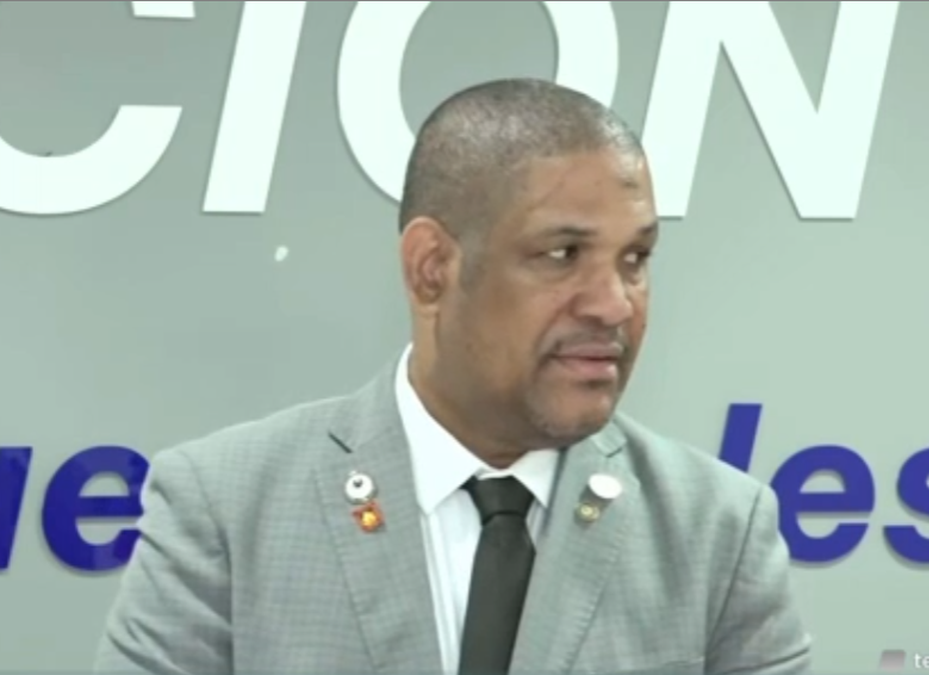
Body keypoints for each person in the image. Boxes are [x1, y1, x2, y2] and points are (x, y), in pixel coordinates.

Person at [93, 78, 812, 675]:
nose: (614, 304)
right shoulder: (225, 509)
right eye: (562, 254)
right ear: (432, 268)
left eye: (636, 258)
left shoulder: (719, 530)